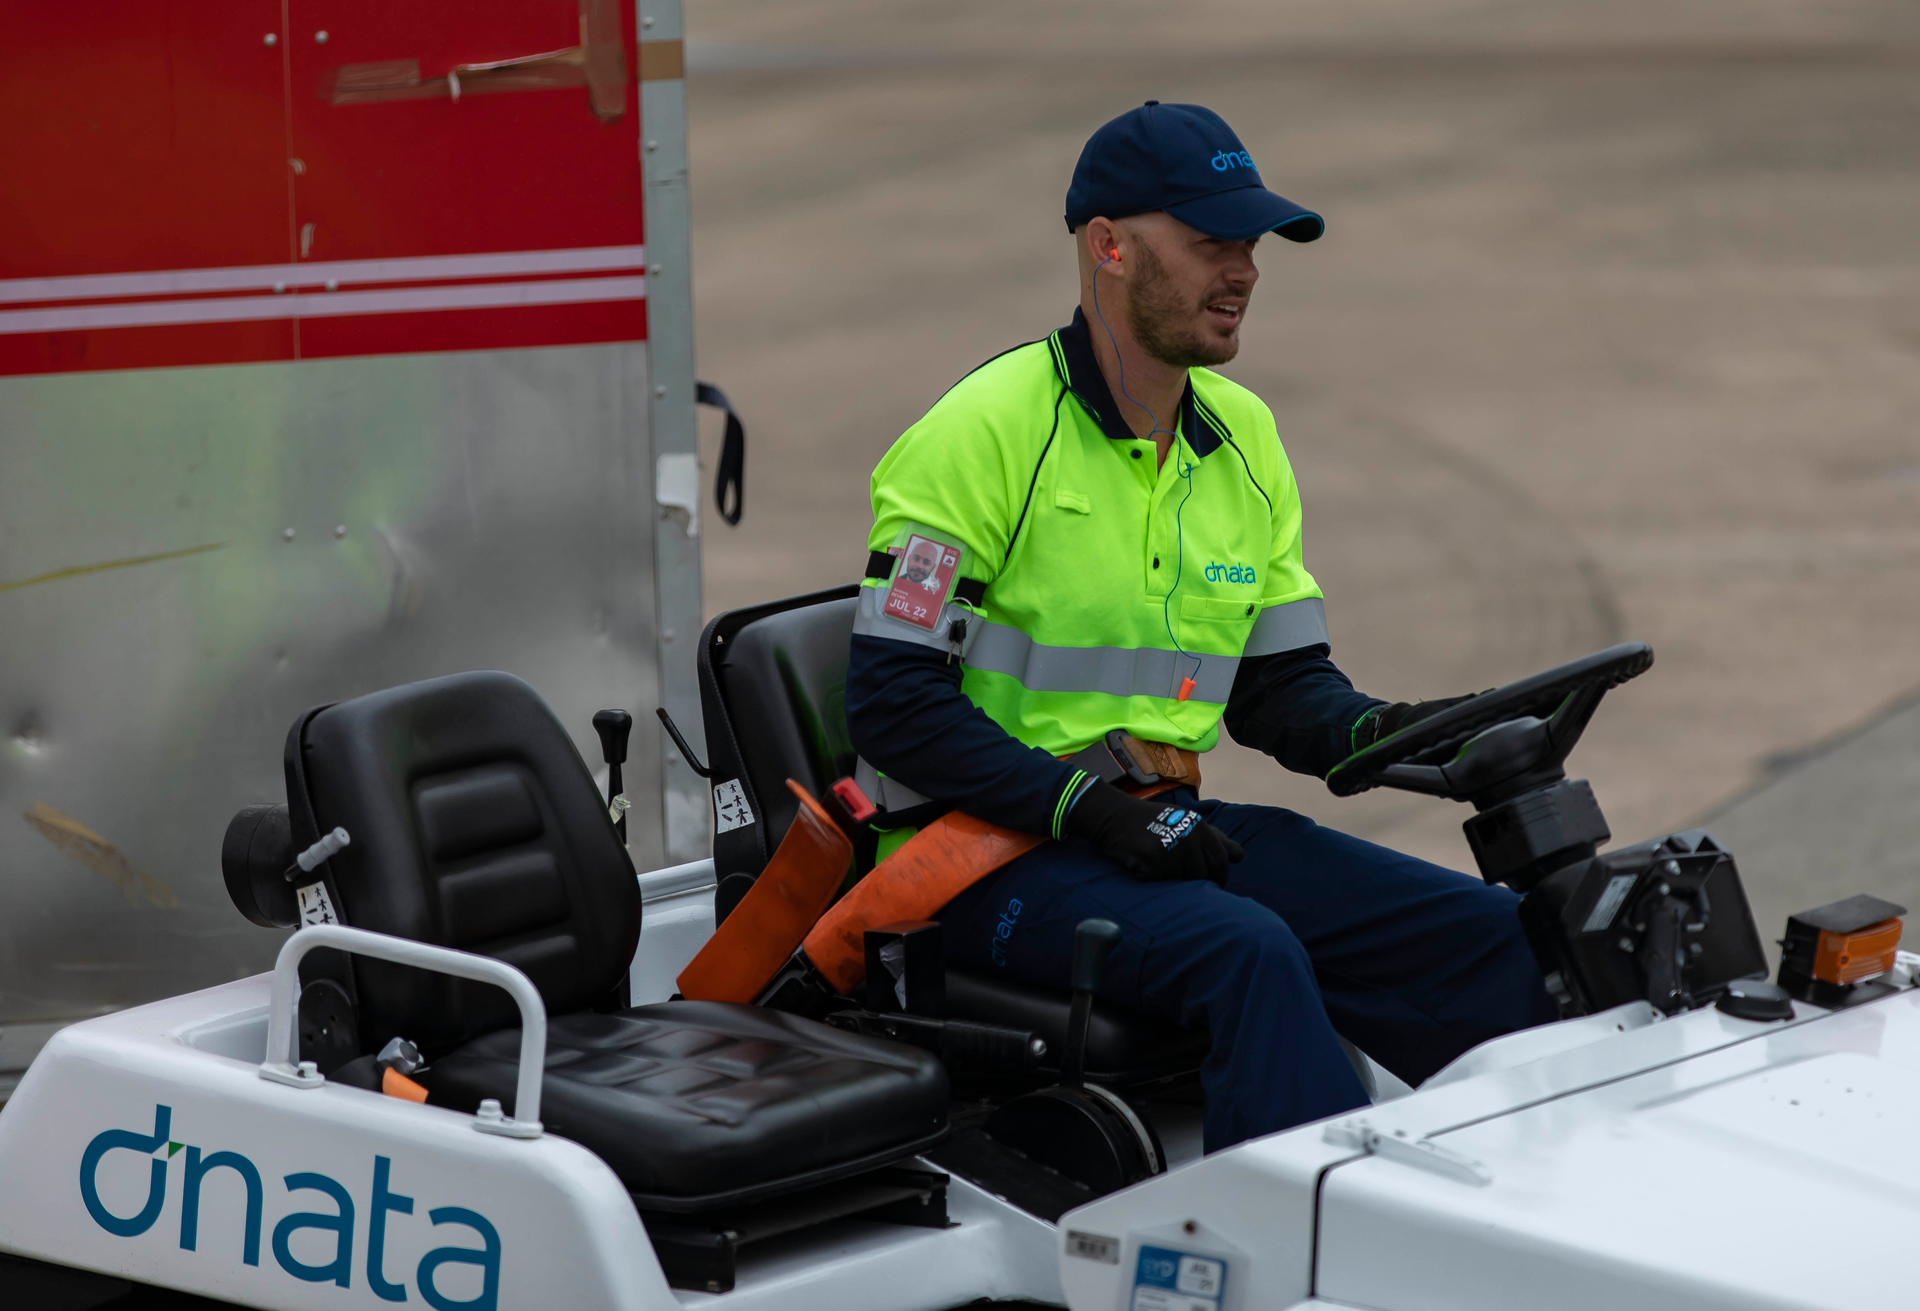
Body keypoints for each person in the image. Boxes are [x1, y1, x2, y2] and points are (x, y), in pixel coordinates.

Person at [845, 101, 1554, 1153]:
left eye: (1252, 245)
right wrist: (1089, 809)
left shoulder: (1245, 437)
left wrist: (1401, 731)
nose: (1245, 271)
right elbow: (893, 703)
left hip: (1156, 834)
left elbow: (1280, 694)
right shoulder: (978, 434)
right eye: (1211, 241)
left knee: (1497, 935)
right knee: (1245, 951)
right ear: (1110, 248)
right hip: (983, 866)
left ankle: (1545, 1211)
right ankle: (1306, 1246)